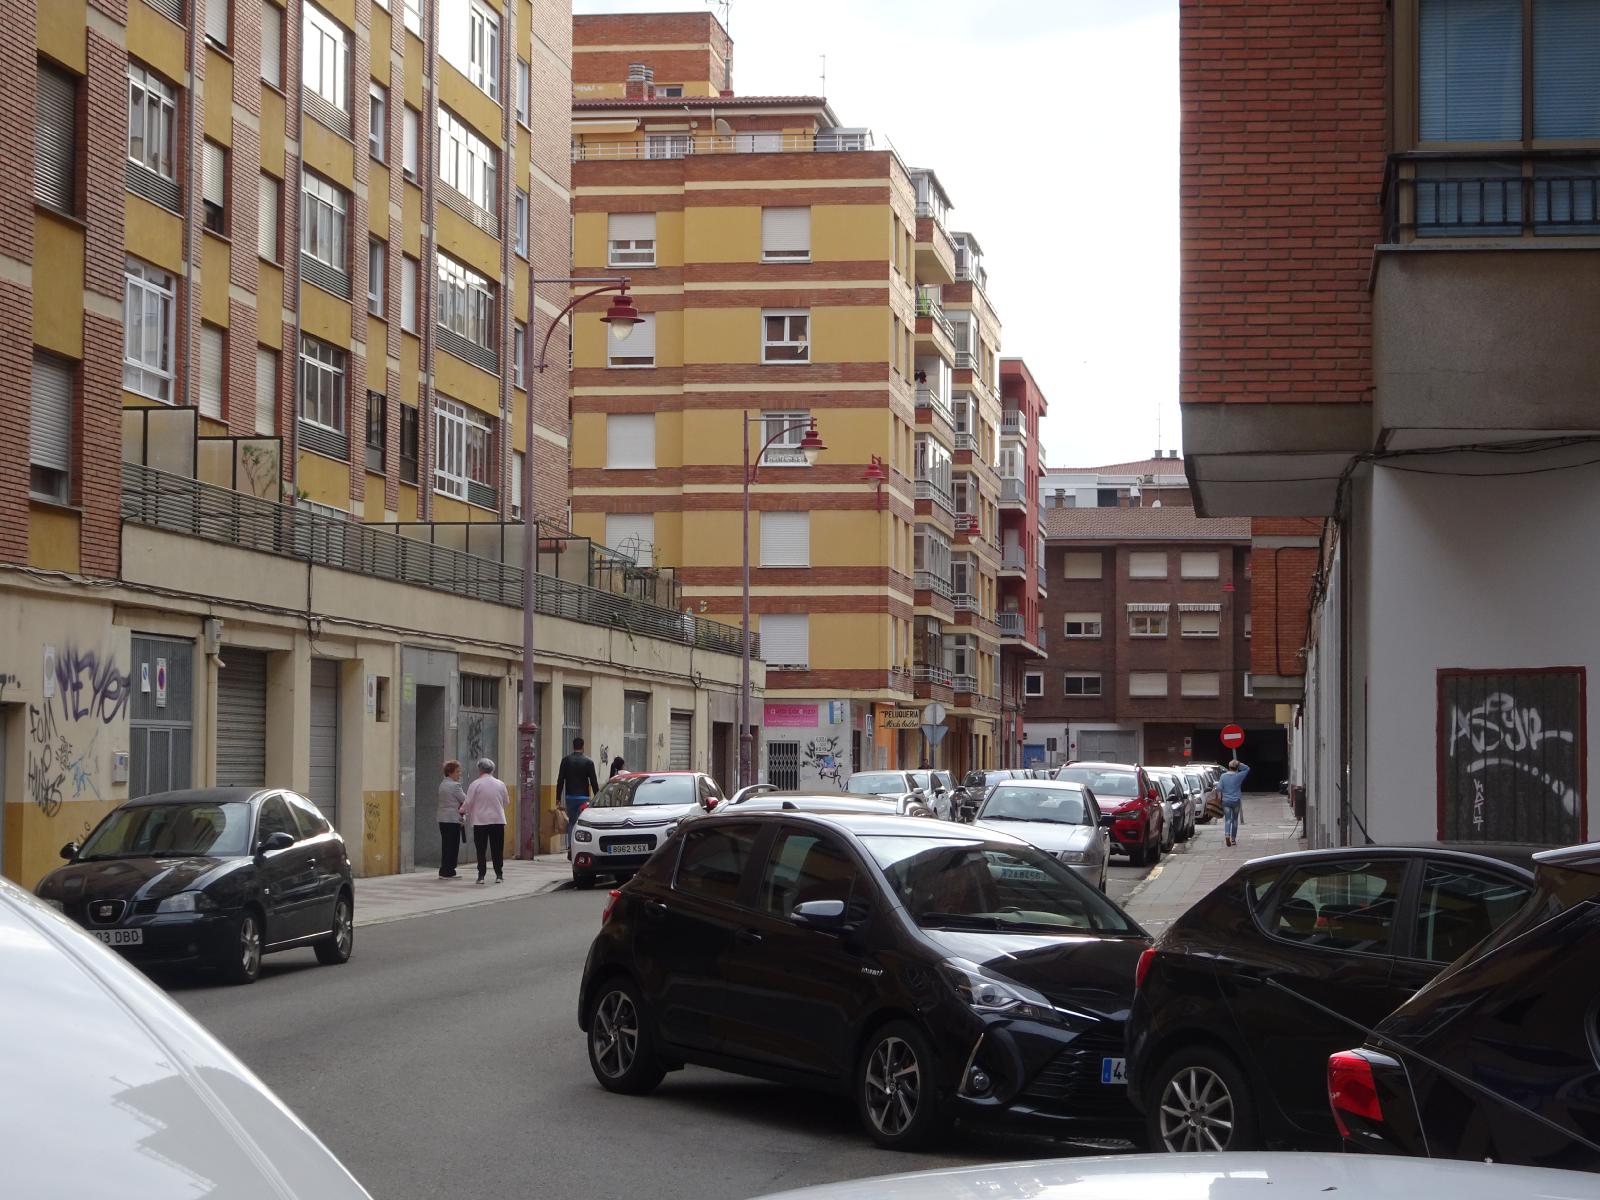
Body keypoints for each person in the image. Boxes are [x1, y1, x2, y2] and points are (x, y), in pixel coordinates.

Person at [462, 758, 509, 884]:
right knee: (497, 849)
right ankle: (499, 875)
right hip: (498, 821)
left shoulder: (475, 784)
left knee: (481, 849)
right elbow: (506, 802)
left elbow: (468, 802)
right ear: (492, 770)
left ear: (480, 769)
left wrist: (463, 811)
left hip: (480, 821)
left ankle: (481, 876)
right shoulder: (500, 784)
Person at [556, 737, 601, 859]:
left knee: (571, 822)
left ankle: (571, 848)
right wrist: (597, 797)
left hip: (570, 797)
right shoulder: (588, 762)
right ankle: (580, 848)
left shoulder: (566, 761)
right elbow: (594, 781)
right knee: (582, 824)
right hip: (584, 797)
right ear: (583, 746)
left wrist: (557, 798)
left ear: (573, 746)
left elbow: (560, 780)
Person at [436, 760, 468, 878]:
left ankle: (444, 869)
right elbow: (465, 799)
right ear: (450, 772)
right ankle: (449, 871)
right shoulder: (455, 786)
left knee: (446, 845)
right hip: (453, 819)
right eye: (457, 772)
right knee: (453, 845)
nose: (459, 774)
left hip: (442, 819)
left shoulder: (442, 784)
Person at [1219, 759, 1250, 847]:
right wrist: (1239, 764)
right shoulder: (1239, 776)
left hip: (1226, 801)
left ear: (1229, 767)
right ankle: (1233, 839)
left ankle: (1227, 835)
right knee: (1235, 820)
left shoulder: (1223, 776)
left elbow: (1219, 788)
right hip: (1236, 801)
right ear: (1237, 768)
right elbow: (1247, 768)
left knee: (1228, 819)